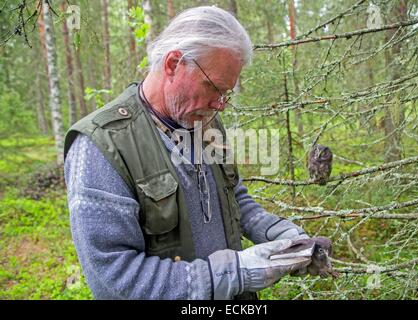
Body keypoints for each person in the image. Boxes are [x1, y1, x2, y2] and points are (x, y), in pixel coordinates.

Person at [64, 5, 333, 300]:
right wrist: (234, 273)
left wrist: (286, 239)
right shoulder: (102, 146)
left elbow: (235, 201)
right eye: (213, 88)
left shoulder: (200, 120)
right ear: (173, 64)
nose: (220, 105)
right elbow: (112, 279)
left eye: (226, 94)